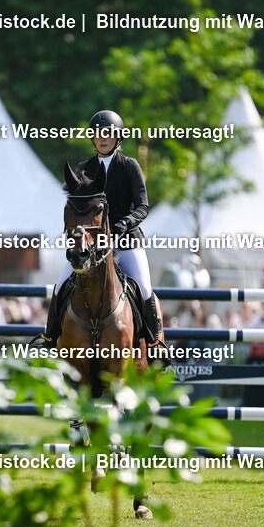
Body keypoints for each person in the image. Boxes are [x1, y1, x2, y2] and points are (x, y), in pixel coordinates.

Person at [32, 110, 170, 361]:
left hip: (127, 241)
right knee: (61, 284)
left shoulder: (129, 166)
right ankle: (50, 338)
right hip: (91, 246)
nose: (103, 138)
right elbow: (78, 207)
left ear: (118, 138)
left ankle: (154, 344)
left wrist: (124, 223)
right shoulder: (85, 168)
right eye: (98, 135)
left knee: (145, 288)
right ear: (93, 139)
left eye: (108, 134)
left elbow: (143, 206)